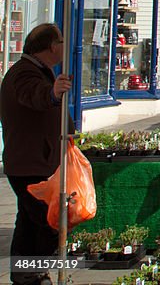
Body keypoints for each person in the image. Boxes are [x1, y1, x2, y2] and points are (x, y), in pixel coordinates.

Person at [1, 23, 73, 285]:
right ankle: (32, 273)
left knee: (29, 222)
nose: (65, 46)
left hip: (33, 160)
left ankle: (25, 275)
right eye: (62, 41)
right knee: (47, 221)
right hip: (30, 162)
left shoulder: (38, 70)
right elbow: (34, 96)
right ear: (53, 46)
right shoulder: (24, 73)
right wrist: (53, 93)